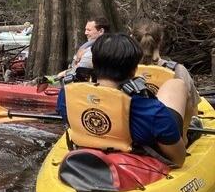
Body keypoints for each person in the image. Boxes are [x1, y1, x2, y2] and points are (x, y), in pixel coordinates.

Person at [57, 33, 186, 166]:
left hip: (86, 156)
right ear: (134, 70)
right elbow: (178, 160)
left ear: (94, 64)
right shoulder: (152, 111)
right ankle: (186, 138)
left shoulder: (66, 95)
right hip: (137, 167)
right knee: (176, 84)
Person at [132, 19, 200, 125]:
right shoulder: (178, 70)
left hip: (137, 135)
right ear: (160, 41)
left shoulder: (124, 71)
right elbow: (193, 111)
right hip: (172, 136)